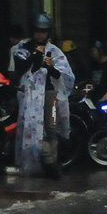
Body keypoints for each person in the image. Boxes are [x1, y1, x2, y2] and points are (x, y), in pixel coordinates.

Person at [10, 14, 76, 177]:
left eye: (44, 31)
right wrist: (36, 55)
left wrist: (51, 66)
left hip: (50, 95)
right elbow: (20, 68)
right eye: (38, 31)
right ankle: (49, 163)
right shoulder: (22, 47)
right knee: (33, 128)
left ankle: (52, 162)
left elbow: (63, 75)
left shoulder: (54, 51)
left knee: (52, 127)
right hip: (30, 96)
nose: (40, 34)